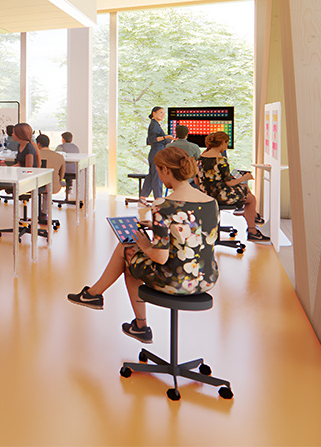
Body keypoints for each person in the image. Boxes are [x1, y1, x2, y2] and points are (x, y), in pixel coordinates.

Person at [68, 147, 219, 344]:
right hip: (206, 277)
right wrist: (158, 227)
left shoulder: (163, 205)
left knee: (128, 249)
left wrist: (146, 244)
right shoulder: (211, 202)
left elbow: (160, 257)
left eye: (157, 169)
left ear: (165, 169)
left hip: (177, 282)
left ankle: (131, 318)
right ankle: (96, 297)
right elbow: (195, 230)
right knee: (131, 255)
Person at [196, 131, 266, 242]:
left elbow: (196, 181)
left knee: (244, 188)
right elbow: (229, 183)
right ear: (222, 142)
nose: (227, 146)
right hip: (221, 196)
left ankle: (251, 214)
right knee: (251, 198)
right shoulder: (221, 160)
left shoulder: (200, 159)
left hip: (205, 195)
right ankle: (252, 229)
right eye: (226, 143)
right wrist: (245, 178)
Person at [142, 106, 173, 198]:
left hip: (158, 150)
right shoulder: (154, 124)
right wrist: (166, 137)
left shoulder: (156, 124)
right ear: (154, 113)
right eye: (161, 113)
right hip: (156, 151)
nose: (163, 115)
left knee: (152, 175)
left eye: (164, 113)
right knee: (157, 176)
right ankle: (158, 198)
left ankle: (143, 197)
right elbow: (152, 139)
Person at [36, 134, 66, 200]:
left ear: (38, 144)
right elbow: (61, 176)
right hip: (54, 186)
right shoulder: (59, 156)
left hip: (36, 186)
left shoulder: (34, 155)